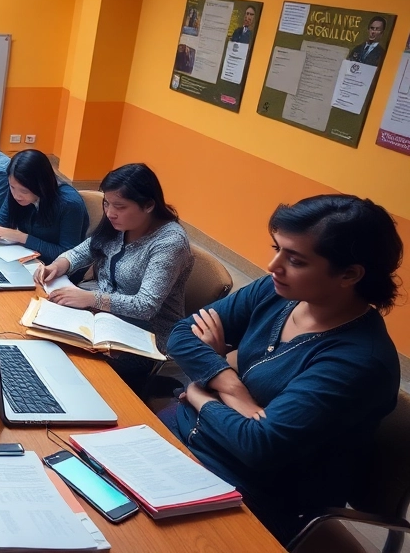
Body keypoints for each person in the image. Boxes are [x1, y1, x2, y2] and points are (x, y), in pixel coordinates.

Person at [163, 195, 401, 545]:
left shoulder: (359, 361)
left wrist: (201, 394)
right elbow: (182, 335)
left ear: (349, 274)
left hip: (255, 490)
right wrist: (232, 387)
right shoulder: (278, 292)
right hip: (191, 436)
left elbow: (260, 446)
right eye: (277, 249)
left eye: (295, 260)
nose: (274, 265)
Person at [32, 163, 193, 392]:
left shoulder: (170, 243)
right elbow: (83, 250)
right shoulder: (121, 222)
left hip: (146, 336)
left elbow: (145, 306)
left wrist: (90, 299)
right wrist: (58, 265)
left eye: (119, 206)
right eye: (106, 203)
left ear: (148, 205)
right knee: (45, 338)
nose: (110, 213)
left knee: (72, 373)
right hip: (105, 318)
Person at [0, 149, 89, 265]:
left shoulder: (69, 204)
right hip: (28, 260)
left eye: (24, 191)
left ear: (41, 185)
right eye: (12, 187)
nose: (16, 195)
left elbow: (68, 255)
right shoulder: (17, 189)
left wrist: (21, 237)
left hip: (56, 272)